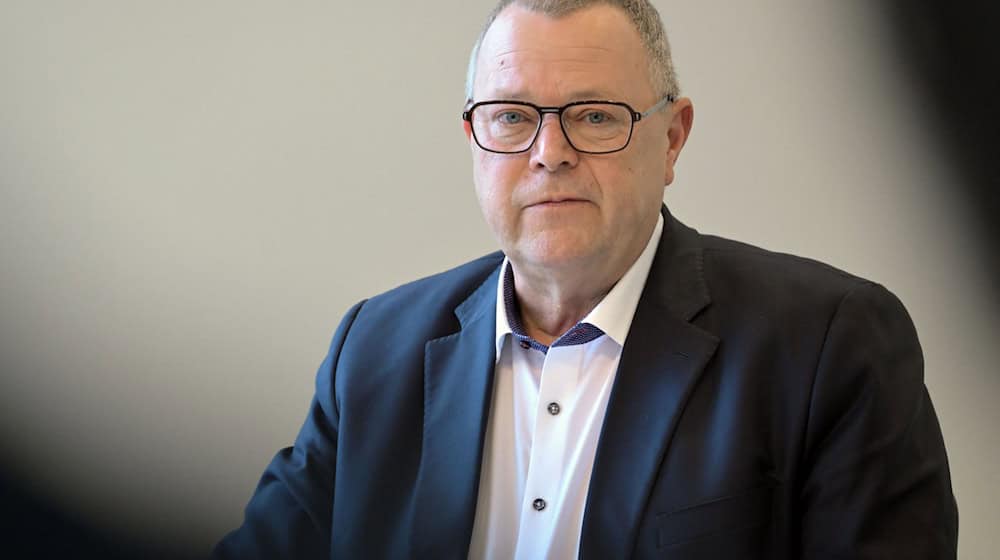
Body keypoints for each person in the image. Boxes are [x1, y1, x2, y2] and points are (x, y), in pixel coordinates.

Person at [214, 1, 958, 558]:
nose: (550, 152)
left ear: (672, 139)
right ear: (474, 139)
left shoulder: (829, 345)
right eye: (511, 118)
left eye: (595, 117)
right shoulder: (375, 350)